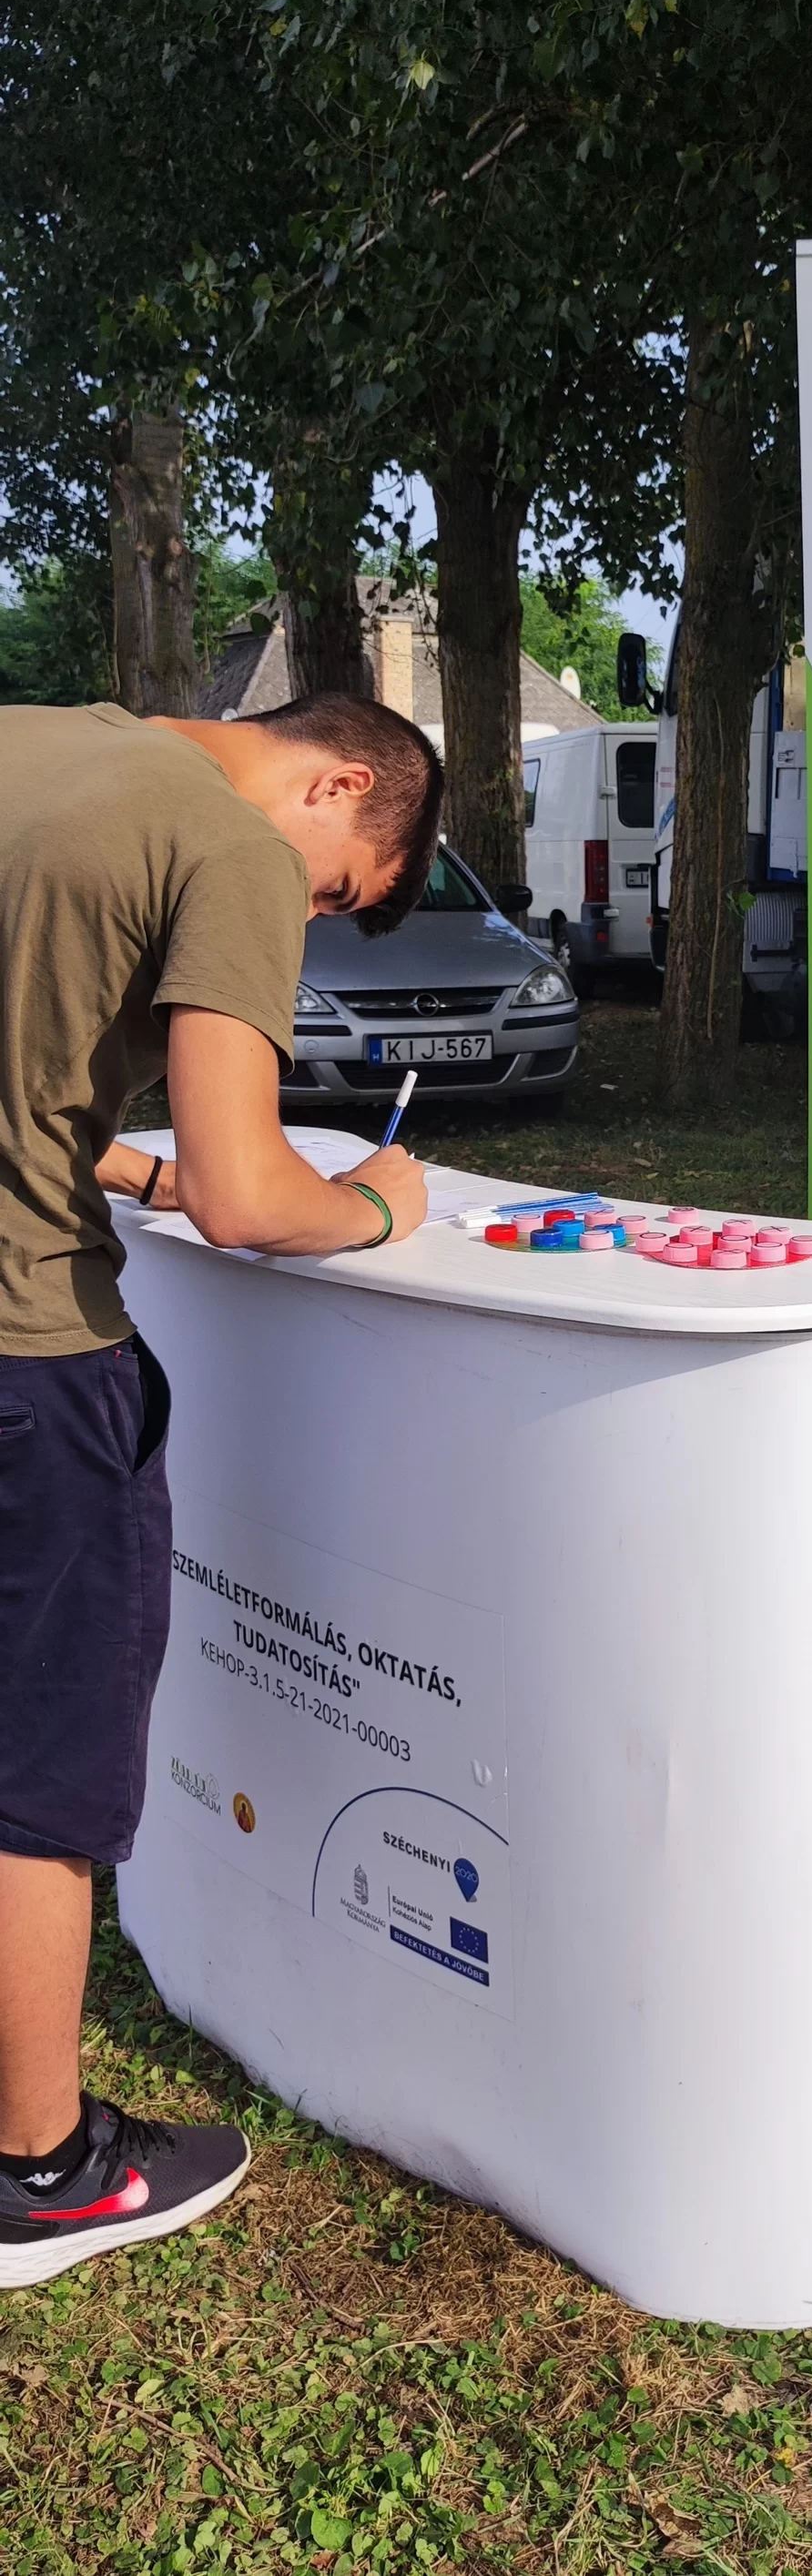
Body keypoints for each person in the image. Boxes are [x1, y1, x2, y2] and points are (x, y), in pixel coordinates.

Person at [0, 692, 443, 2289]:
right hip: (26, 1353)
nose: (309, 914)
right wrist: (376, 1202)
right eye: (337, 889)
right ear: (339, 782)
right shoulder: (230, 848)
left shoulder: (33, 742)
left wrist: (127, 1164)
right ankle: (44, 2174)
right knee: (35, 1768)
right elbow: (257, 1197)